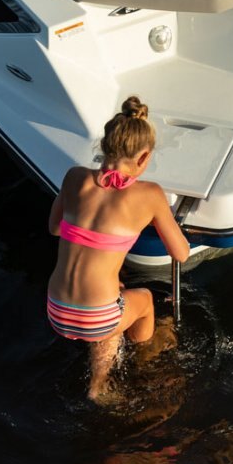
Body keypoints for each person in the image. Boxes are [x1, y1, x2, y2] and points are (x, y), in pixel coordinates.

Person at [47, 95, 190, 402]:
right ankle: (144, 360)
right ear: (144, 157)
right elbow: (180, 253)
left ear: (104, 146)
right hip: (97, 317)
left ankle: (99, 383)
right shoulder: (150, 194)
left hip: (56, 310)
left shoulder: (74, 177)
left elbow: (55, 228)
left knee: (115, 300)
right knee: (146, 300)